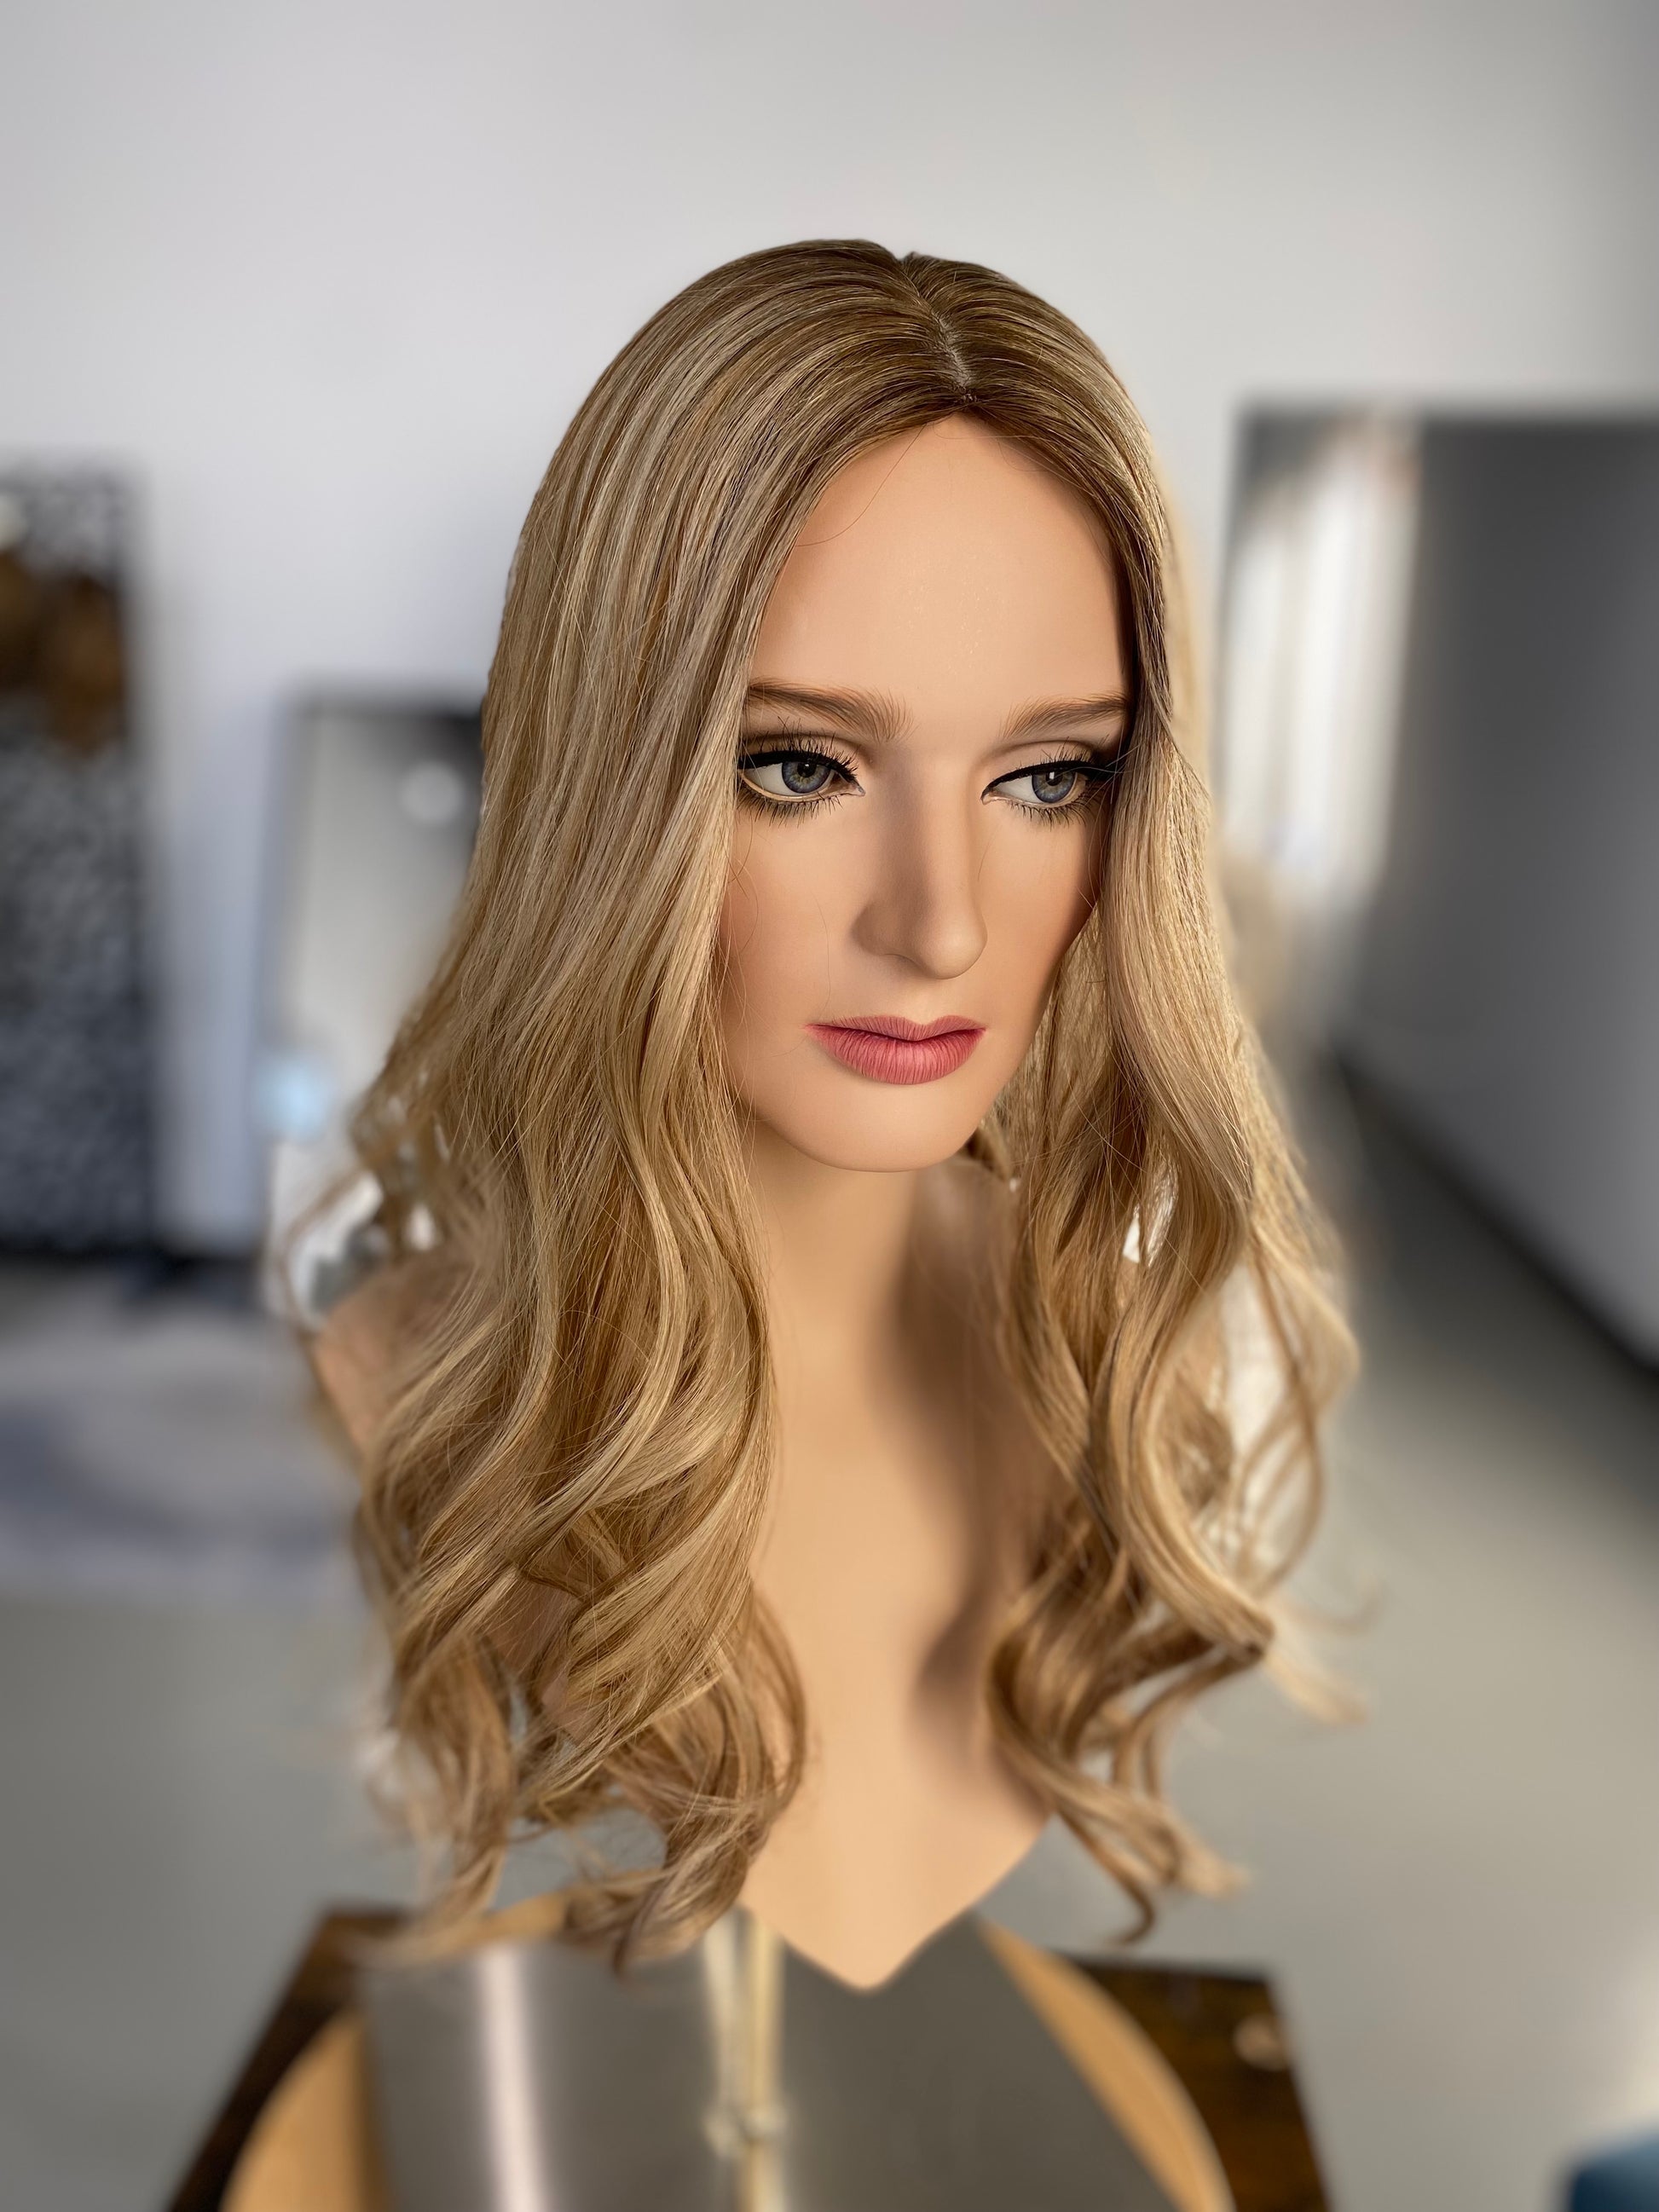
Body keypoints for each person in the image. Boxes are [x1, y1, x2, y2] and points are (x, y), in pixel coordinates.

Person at [304, 240, 1351, 1990]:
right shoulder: (406, 1366)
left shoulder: (1102, 1362)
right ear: (605, 786)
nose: (937, 925)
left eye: (1047, 776)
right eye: (798, 764)